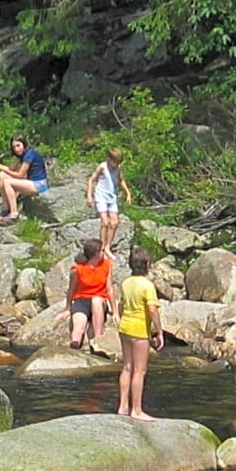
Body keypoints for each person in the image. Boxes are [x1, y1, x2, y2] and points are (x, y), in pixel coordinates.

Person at [117, 247, 164, 421]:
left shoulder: (125, 283)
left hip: (125, 327)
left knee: (127, 367)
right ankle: (136, 410)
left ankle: (123, 406)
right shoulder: (147, 285)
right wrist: (159, 332)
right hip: (139, 330)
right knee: (139, 371)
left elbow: (121, 306)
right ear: (147, 265)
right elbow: (152, 310)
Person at [56, 239, 119, 349]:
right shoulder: (77, 269)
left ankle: (98, 339)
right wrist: (67, 309)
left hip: (99, 301)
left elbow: (109, 289)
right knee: (79, 326)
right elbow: (71, 290)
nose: (104, 253)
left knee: (96, 300)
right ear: (96, 253)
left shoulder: (106, 264)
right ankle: (75, 343)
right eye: (102, 250)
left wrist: (115, 312)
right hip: (81, 301)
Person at [0, 135, 49, 226]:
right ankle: (5, 207)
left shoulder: (29, 154)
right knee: (3, 175)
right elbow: (11, 169)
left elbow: (20, 175)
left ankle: (14, 214)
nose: (16, 149)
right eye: (14, 147)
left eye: (18, 145)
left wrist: (0, 166)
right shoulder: (21, 155)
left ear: (24, 144)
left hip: (39, 184)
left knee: (7, 182)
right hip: (31, 182)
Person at [86, 147, 133, 260]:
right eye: (115, 162)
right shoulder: (103, 167)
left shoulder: (118, 169)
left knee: (115, 222)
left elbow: (121, 180)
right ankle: (101, 248)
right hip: (101, 196)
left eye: (118, 163)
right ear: (109, 159)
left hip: (111, 197)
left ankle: (108, 247)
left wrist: (128, 193)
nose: (116, 165)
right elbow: (91, 179)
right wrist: (89, 195)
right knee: (105, 222)